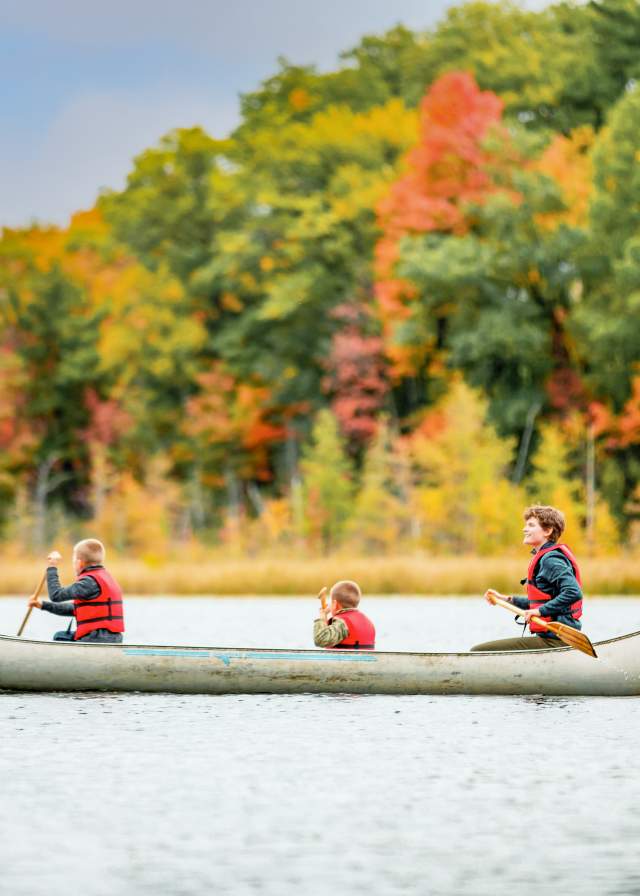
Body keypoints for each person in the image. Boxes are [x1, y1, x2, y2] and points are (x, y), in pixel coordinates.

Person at [471, 505, 583, 652]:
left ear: (548, 531)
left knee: (479, 651)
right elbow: (541, 602)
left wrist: (539, 612)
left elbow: (573, 592)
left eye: (531, 525)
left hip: (558, 640)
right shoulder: (545, 557)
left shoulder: (551, 559)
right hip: (551, 639)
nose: (524, 529)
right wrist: (506, 600)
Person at [29, 539, 125, 643]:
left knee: (59, 638)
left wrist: (52, 567)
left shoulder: (88, 582)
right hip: (115, 639)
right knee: (59, 636)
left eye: (73, 561)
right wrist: (42, 605)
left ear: (79, 563)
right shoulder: (106, 578)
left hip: (95, 639)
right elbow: (75, 609)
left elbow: (56, 595)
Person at [313, 580, 375, 649]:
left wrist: (322, 616)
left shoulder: (342, 623)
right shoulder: (369, 622)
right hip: (364, 659)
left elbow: (320, 640)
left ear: (335, 604)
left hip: (344, 659)